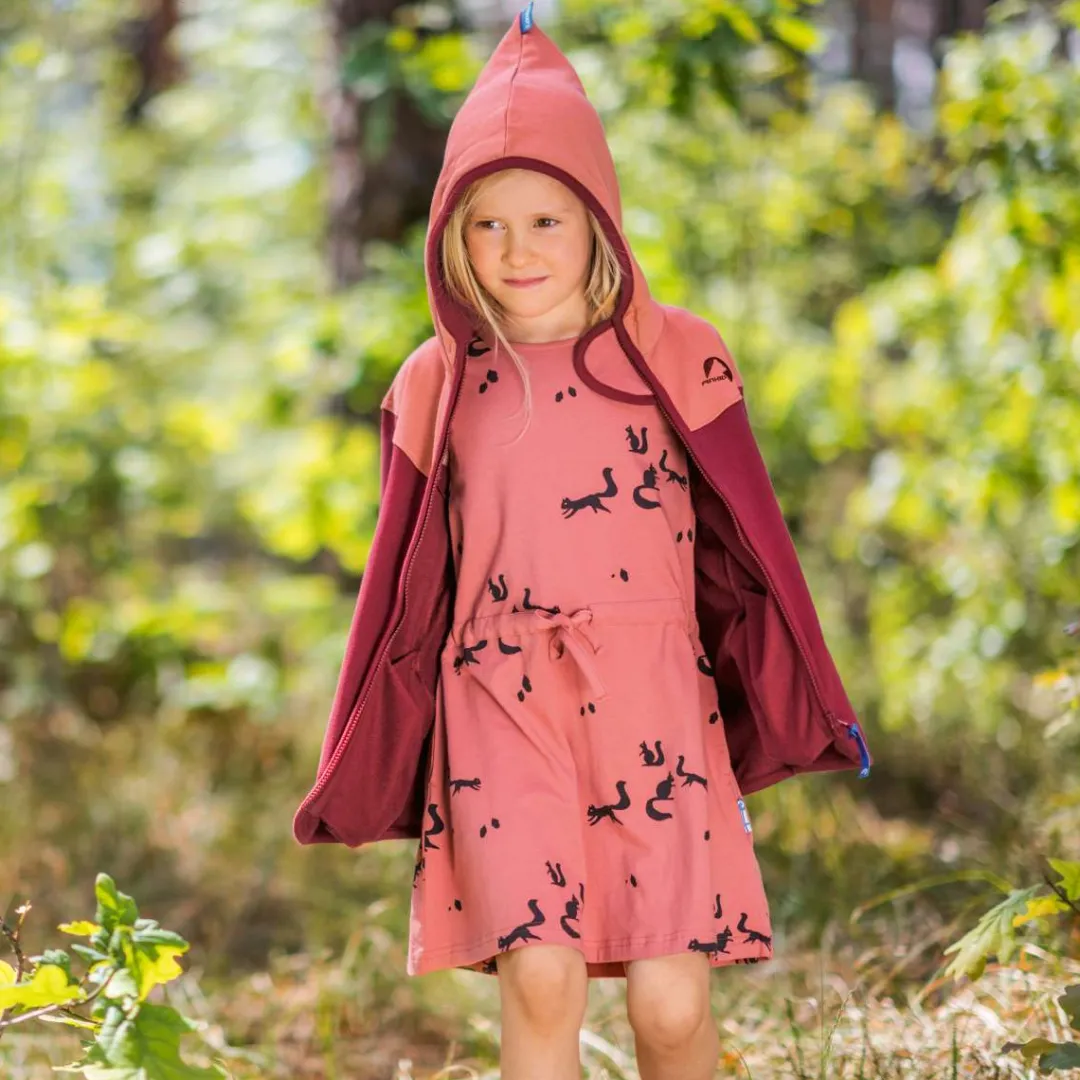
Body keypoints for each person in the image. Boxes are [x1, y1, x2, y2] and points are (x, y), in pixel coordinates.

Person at [294, 5, 874, 1077]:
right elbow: (403, 584)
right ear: (451, 235)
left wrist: (788, 691)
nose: (516, 250)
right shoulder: (435, 381)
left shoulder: (678, 354)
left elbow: (746, 547)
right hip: (497, 697)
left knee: (669, 1002)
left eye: (546, 220)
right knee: (542, 977)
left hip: (654, 691)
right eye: (487, 224)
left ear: (599, 218)